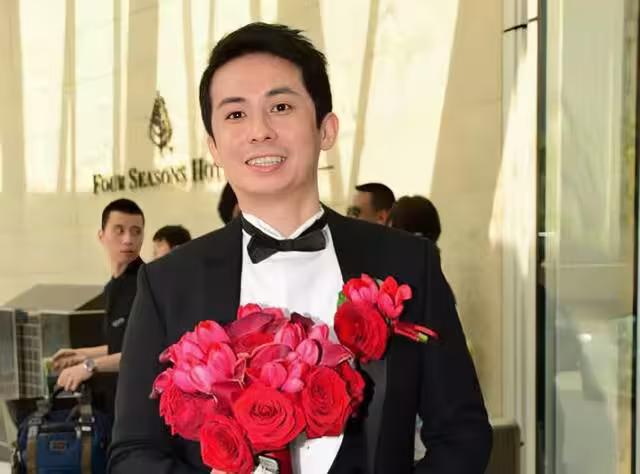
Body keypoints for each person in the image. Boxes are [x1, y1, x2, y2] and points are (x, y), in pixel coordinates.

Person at [109, 23, 491, 474]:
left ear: (326, 129)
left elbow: (462, 436)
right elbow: (133, 452)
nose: (259, 131)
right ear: (213, 146)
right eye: (236, 114)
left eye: (281, 106)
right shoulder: (167, 283)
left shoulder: (407, 263)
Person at [52, 198, 144, 416]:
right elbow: (121, 343)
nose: (128, 240)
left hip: (138, 404)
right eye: (119, 231)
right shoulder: (112, 287)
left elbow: (143, 351)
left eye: (136, 232)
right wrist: (81, 354)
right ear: (101, 236)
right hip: (113, 402)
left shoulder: (146, 285)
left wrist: (89, 366)